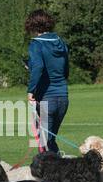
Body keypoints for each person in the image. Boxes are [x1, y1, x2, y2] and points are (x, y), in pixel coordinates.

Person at [24, 9, 69, 155]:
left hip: (46, 99)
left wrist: (31, 90)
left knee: (44, 146)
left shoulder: (36, 44)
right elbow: (65, 70)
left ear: (33, 26)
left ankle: (50, 177)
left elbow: (39, 66)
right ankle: (61, 174)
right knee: (50, 142)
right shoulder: (60, 42)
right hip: (63, 97)